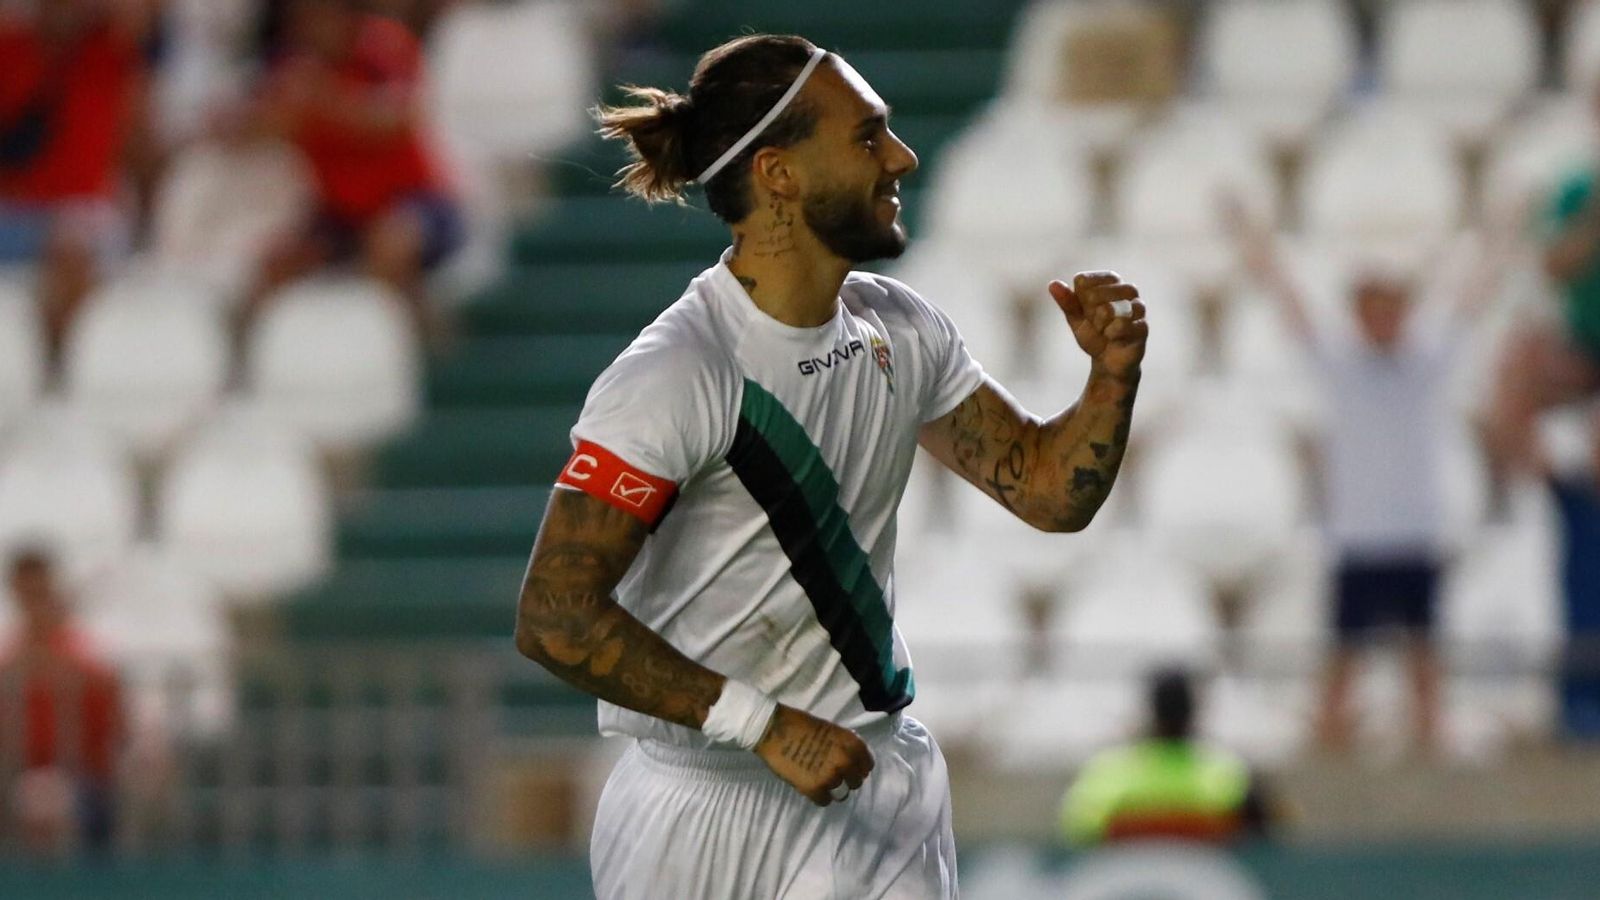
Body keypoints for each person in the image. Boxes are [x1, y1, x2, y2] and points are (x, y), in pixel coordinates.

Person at [510, 34, 1148, 899]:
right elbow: (555, 615)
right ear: (778, 173)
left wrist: (1111, 380)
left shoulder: (901, 327)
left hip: (878, 781)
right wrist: (762, 725)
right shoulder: (677, 373)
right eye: (867, 136)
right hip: (703, 810)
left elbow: (1044, 489)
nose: (902, 157)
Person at [1224, 199, 1520, 756]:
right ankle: (1335, 771)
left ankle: (1428, 770)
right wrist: (1251, 240)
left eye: (1390, 305)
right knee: (1342, 668)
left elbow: (1472, 299)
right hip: (1358, 539)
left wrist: (1503, 232)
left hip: (1415, 535)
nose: (1381, 317)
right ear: (1358, 310)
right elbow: (1287, 300)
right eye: (1371, 305)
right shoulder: (1338, 362)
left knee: (1425, 667)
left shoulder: (1427, 358)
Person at [240, 0, 462, 342]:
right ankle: (255, 370)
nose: (309, 28)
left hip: (417, 201)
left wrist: (325, 100)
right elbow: (261, 132)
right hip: (340, 215)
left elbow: (400, 120)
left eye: (319, 15)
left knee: (390, 244)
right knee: (274, 264)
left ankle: (398, 352)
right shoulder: (292, 68)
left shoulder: (385, 45)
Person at [0, 0, 154, 366]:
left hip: (83, 208)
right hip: (12, 208)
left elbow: (141, 13)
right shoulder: (10, 48)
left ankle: (55, 371)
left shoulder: (109, 51)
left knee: (72, 251)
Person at [1481, 90, 1600, 484]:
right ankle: (1529, 493)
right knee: (1514, 368)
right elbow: (1553, 266)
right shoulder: (1577, 188)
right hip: (1585, 344)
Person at [0, 548, 126, 856]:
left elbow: (114, 723)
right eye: (27, 593)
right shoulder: (10, 660)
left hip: (82, 781)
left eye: (39, 592)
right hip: (15, 778)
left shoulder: (85, 659)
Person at [1061, 668, 1275, 846]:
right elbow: (1264, 842)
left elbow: (1076, 834)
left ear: (1150, 711)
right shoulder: (1227, 772)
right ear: (1194, 712)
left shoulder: (1108, 772)